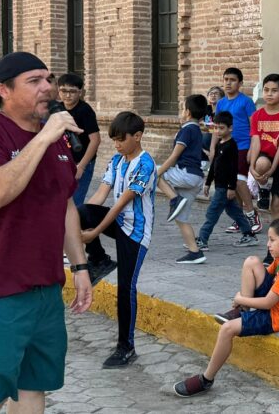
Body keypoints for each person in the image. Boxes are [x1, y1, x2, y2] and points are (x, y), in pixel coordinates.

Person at [0, 51, 92, 413]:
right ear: (3, 90)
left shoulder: (55, 139)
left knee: (34, 386)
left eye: (48, 79)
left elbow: (65, 204)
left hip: (44, 287)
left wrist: (80, 266)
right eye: (34, 81)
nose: (47, 88)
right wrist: (42, 140)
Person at [173, 217, 279, 398]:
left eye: (272, 240)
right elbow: (262, 278)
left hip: (278, 316)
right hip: (275, 304)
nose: (268, 244)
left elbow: (268, 303)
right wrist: (244, 298)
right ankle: (242, 311)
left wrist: (241, 298)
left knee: (227, 329)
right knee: (251, 261)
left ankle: (206, 379)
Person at [79, 111, 157, 369]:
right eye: (113, 140)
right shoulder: (116, 160)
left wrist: (93, 232)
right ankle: (99, 260)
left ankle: (126, 348)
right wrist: (82, 221)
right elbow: (100, 196)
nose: (116, 145)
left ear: (138, 136)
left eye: (121, 139)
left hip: (135, 232)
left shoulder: (146, 164)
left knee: (126, 288)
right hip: (117, 222)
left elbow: (121, 204)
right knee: (81, 211)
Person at [158, 94, 208, 265]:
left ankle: (174, 199)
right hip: (195, 178)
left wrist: (158, 173)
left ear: (187, 112)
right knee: (181, 217)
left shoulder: (187, 129)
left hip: (186, 174)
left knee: (150, 171)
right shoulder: (197, 130)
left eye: (182, 108)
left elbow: (174, 157)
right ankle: (195, 252)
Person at [197, 112, 256, 249]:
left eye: (221, 128)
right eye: (216, 128)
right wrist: (208, 182)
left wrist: (231, 187)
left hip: (225, 188)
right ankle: (249, 234)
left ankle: (203, 240)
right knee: (234, 212)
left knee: (212, 212)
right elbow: (214, 165)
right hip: (219, 185)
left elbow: (233, 169)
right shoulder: (219, 144)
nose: (218, 131)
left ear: (230, 128)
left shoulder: (231, 146)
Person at [214, 68, 262, 234]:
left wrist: (252, 149)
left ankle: (251, 215)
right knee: (232, 183)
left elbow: (254, 127)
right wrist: (214, 148)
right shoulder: (221, 103)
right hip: (226, 148)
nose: (228, 83)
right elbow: (217, 127)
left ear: (240, 83)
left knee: (239, 180)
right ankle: (240, 218)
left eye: (232, 80)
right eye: (226, 79)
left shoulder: (246, 102)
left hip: (242, 146)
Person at [249, 74, 279, 222]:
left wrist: (273, 169)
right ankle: (263, 188)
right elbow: (255, 142)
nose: (269, 94)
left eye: (274, 90)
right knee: (261, 164)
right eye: (266, 90)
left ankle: (276, 232)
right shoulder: (257, 115)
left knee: (276, 205)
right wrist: (252, 166)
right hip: (265, 156)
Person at [56, 74, 101, 204]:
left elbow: (95, 140)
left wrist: (81, 166)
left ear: (80, 92)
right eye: (64, 90)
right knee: (61, 201)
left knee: (75, 202)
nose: (67, 95)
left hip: (82, 162)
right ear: (58, 90)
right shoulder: (58, 109)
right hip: (64, 161)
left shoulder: (85, 111)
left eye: (72, 91)